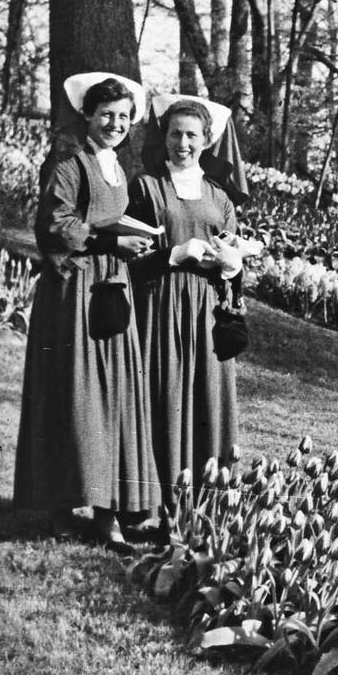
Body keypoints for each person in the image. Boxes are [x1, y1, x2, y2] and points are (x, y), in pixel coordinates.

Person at [13, 73, 160, 551]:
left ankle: (107, 510)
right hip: (74, 290)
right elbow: (55, 224)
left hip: (111, 288)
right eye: (106, 115)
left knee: (113, 394)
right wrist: (106, 240)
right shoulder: (69, 163)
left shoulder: (118, 167)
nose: (115, 124)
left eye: (123, 117)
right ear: (88, 117)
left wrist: (127, 245)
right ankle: (62, 504)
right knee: (73, 389)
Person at [127, 96, 245, 509]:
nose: (182, 143)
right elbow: (130, 261)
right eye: (175, 133)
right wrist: (175, 254)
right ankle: (157, 508)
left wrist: (231, 266)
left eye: (191, 135)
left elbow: (236, 267)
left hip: (208, 313)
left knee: (208, 400)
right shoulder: (146, 187)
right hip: (160, 307)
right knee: (165, 397)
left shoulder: (220, 197)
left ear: (207, 140)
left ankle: (207, 507)